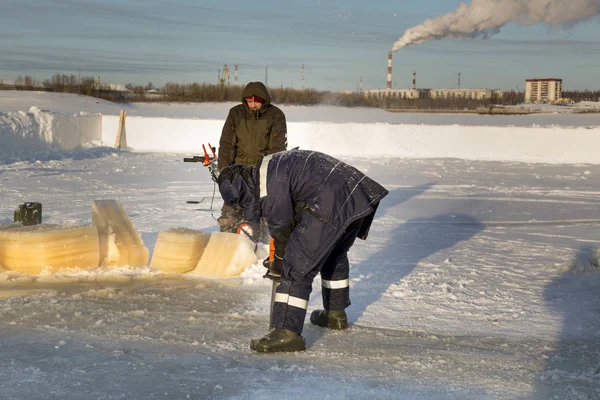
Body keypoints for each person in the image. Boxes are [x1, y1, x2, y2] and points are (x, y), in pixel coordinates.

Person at [217, 149, 389, 353]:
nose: (244, 206)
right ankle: (335, 315)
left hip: (331, 200)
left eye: (242, 201)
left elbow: (282, 227)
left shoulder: (269, 182)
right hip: (355, 193)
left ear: (243, 186)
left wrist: (280, 261)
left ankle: (286, 333)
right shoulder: (271, 166)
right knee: (333, 256)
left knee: (295, 265)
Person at [217, 81, 287, 236]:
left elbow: (277, 150)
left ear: (264, 100)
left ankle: (259, 249)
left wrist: (269, 175)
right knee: (229, 214)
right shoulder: (236, 114)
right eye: (250, 101)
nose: (253, 105)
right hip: (237, 174)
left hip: (261, 174)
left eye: (257, 101)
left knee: (261, 216)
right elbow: (227, 144)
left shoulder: (276, 116)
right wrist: (224, 172)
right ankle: (226, 244)